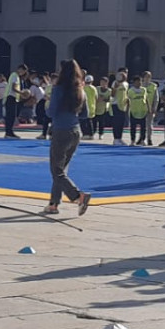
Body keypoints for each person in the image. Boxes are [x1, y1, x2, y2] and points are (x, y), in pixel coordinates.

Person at [45, 60, 94, 217]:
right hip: (75, 131)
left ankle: (77, 195)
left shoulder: (58, 89)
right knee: (62, 169)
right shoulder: (81, 90)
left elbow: (51, 112)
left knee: (56, 170)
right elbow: (85, 114)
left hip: (61, 130)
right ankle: (53, 204)